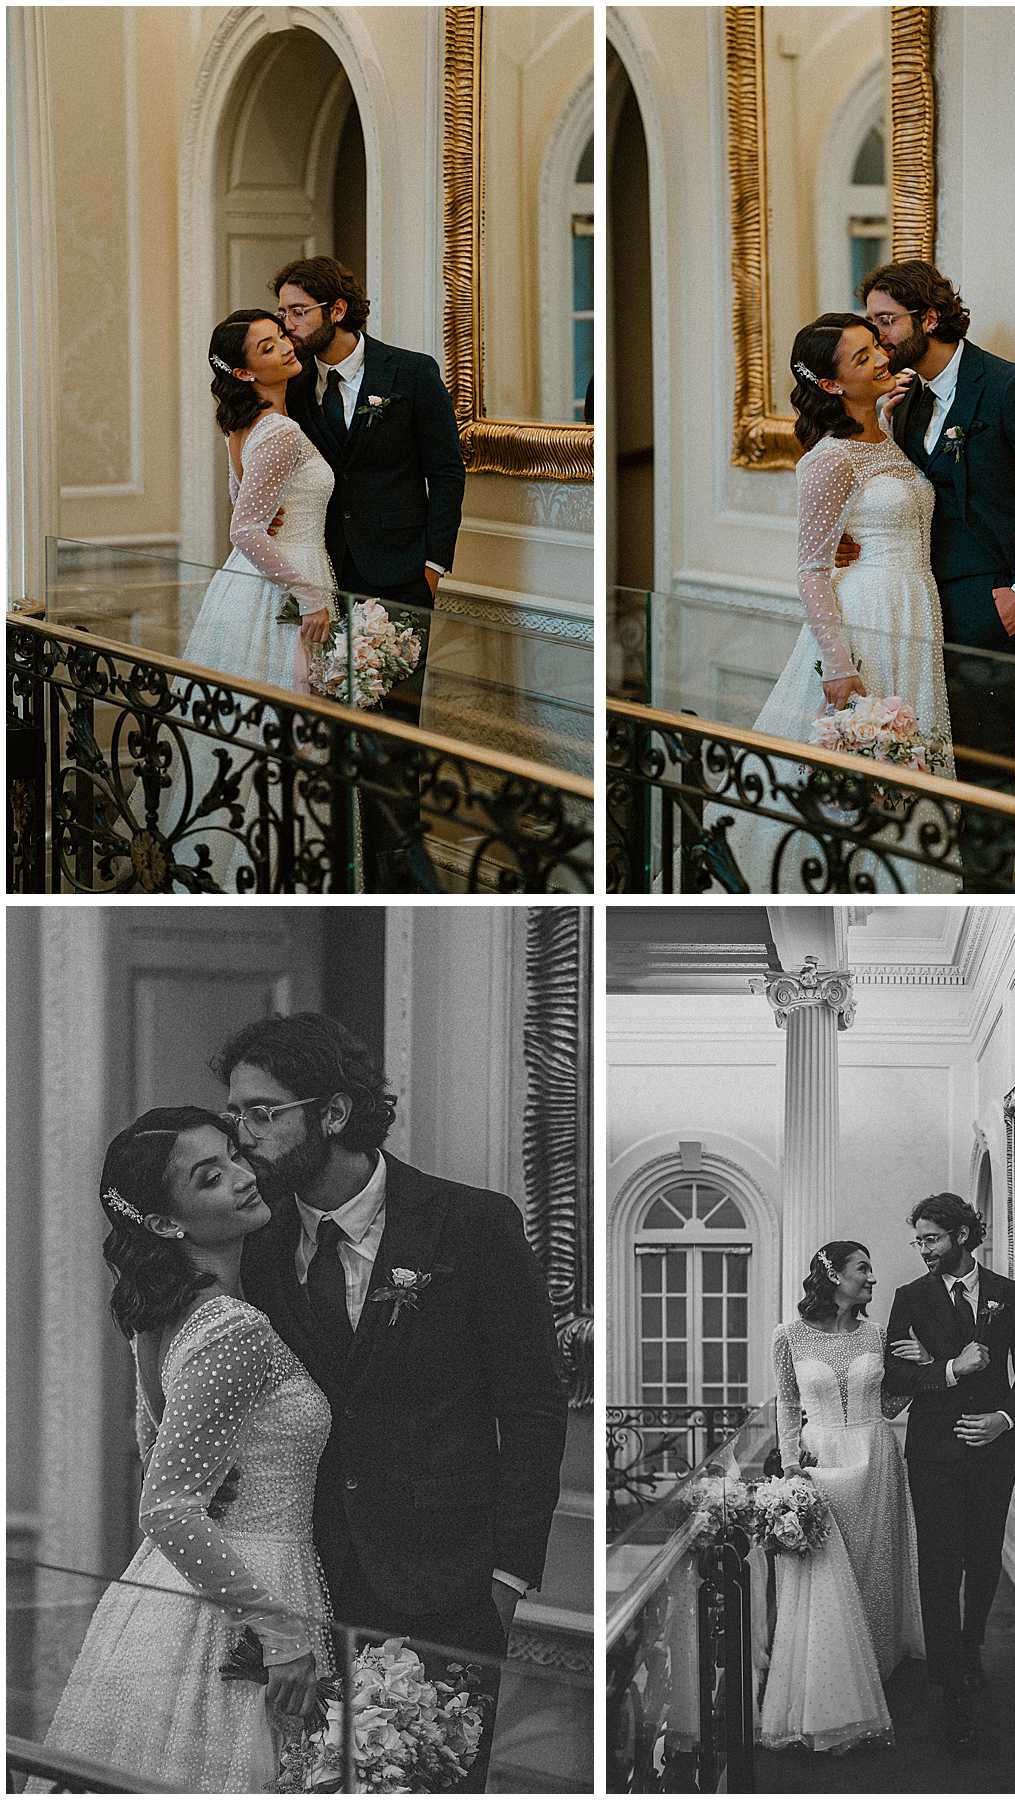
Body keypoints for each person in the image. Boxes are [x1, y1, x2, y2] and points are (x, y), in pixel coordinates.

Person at [217, 1011, 569, 1792]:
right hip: (308, 1583)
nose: (240, 1134)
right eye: (235, 1113)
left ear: (333, 1114)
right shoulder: (261, 1246)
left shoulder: (473, 1224)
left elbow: (536, 1405)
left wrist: (507, 1580)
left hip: (451, 1586)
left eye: (262, 1112)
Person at [32, 1108, 330, 1792]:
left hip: (177, 1594)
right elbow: (166, 1508)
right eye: (210, 1177)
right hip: (251, 1596)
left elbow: (153, 1445)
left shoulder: (164, 1318)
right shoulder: (232, 1328)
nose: (243, 1177)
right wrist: (280, 1633)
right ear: (167, 1224)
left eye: (232, 1156)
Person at [858, 260, 1015, 879]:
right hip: (920, 607)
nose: (878, 335)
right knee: (929, 765)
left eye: (886, 320)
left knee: (985, 772)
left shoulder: (1012, 389)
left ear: (929, 318)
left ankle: (987, 895)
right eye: (873, 321)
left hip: (994, 611)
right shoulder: (904, 401)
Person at [725, 312, 957, 896]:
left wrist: (886, 408)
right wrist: (840, 665)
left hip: (914, 608)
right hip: (869, 620)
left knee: (907, 769)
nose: (882, 357)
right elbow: (811, 571)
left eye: (876, 345)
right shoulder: (827, 459)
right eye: (862, 358)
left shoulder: (883, 427)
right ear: (831, 385)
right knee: (860, 776)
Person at [273, 256, 467, 889]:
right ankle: (337, 862)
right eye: (282, 312)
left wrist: (433, 566)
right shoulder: (293, 385)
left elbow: (446, 472)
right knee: (327, 726)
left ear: (336, 311)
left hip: (401, 578)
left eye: (297, 311)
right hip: (324, 578)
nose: (288, 324)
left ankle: (397, 872)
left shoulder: (409, 372)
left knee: (395, 731)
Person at [170, 310, 343, 891]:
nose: (286, 349)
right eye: (268, 347)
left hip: (255, 581)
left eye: (281, 337)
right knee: (283, 737)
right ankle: (279, 876)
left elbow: (241, 503)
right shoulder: (282, 431)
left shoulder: (247, 427)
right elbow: (244, 529)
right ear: (245, 373)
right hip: (289, 588)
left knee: (253, 736)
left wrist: (269, 524)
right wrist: (310, 596)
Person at [884, 1194, 1015, 1755]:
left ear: (960, 1235)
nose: (923, 1250)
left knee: (984, 1557)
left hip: (993, 1451)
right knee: (937, 1565)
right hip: (931, 1453)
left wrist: (1003, 1419)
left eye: (931, 1239)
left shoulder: (1009, 1294)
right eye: (919, 1240)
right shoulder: (909, 1298)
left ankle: (969, 1646)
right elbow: (897, 1377)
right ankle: (952, 1691)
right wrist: (951, 1368)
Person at [762, 1241, 924, 1752]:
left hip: (876, 1456)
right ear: (833, 1276)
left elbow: (891, 1398)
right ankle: (828, 1684)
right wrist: (791, 1467)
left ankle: (874, 1674)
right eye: (863, 1269)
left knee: (874, 1569)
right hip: (821, 1461)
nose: (873, 1279)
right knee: (826, 1574)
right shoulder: (788, 1336)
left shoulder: (879, 1335)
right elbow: (788, 1403)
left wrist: (922, 1371)